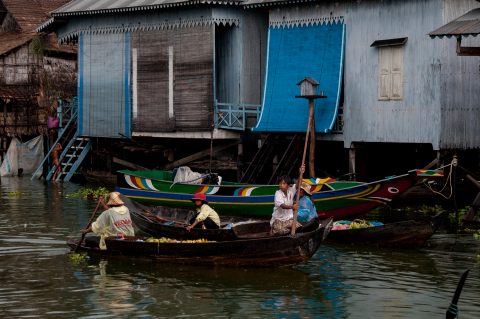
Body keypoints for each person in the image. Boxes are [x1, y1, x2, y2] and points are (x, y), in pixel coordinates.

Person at [270, 164, 305, 235]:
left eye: (283, 184)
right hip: (278, 220)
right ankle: (273, 230)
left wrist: (301, 173)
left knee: (299, 227)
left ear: (288, 185)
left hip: (288, 220)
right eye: (280, 184)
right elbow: (282, 205)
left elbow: (298, 184)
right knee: (282, 232)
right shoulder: (278, 193)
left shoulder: (291, 190)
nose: (281, 185)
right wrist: (292, 207)